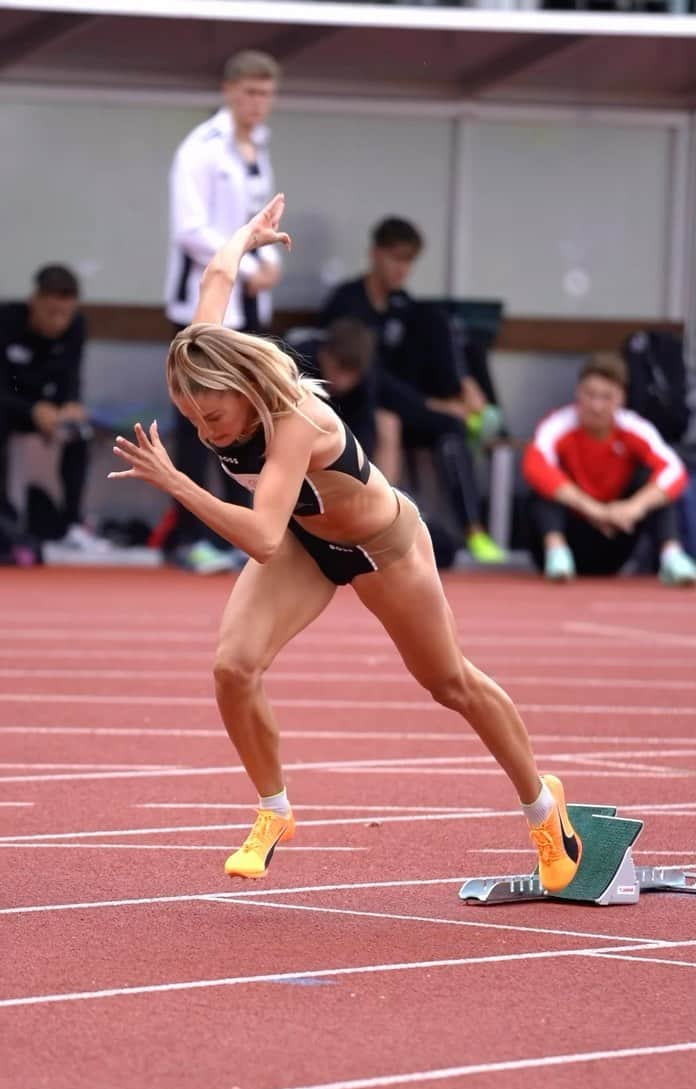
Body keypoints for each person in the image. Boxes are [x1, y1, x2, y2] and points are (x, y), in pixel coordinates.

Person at [109, 194, 583, 895]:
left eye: (213, 417)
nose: (206, 432)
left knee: (448, 682)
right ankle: (275, 811)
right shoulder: (205, 357)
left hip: (383, 546)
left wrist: (178, 484)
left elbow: (262, 537)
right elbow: (215, 277)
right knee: (233, 668)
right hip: (308, 542)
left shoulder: (294, 419)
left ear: (243, 390)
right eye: (190, 418)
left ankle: (546, 810)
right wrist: (249, 236)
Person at [320, 217, 505, 564]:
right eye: (395, 257)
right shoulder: (347, 302)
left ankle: (474, 530)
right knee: (388, 419)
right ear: (375, 255)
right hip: (358, 408)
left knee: (451, 427)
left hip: (408, 404)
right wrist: (430, 404)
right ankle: (378, 520)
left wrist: (459, 387)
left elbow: (422, 362)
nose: (402, 268)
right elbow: (361, 375)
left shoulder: (405, 306)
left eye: (409, 260)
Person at [165, 49, 282, 573]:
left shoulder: (257, 148)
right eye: (251, 92)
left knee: (249, 418)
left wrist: (269, 257)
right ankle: (189, 533)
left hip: (251, 297)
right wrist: (240, 257)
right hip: (206, 299)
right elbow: (190, 229)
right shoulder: (200, 149)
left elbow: (263, 215)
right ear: (230, 91)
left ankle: (243, 524)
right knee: (197, 419)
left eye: (267, 94)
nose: (259, 104)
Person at [523, 353, 696, 585]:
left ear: (621, 399)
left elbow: (674, 470)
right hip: (569, 534)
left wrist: (633, 508)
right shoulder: (558, 425)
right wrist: (594, 510)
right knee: (543, 489)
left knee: (651, 481)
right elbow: (534, 465)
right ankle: (557, 554)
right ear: (578, 393)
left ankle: (672, 556)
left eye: (606, 397)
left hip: (616, 535)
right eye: (590, 395)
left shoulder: (634, 428)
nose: (596, 406)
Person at [0, 264, 107, 555]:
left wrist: (71, 404)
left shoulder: (76, 327)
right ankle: (5, 519)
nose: (58, 322)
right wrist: (32, 408)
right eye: (51, 312)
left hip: (50, 412)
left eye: (65, 313)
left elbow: (71, 375)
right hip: (12, 407)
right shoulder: (7, 321)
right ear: (34, 301)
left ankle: (71, 521)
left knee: (80, 434)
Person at [288, 317, 402, 484]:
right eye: (339, 368)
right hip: (295, 433)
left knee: (388, 423)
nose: (342, 381)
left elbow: (363, 438)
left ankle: (386, 501)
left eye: (351, 374)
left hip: (336, 443)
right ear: (325, 354)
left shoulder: (364, 385)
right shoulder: (297, 361)